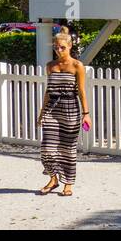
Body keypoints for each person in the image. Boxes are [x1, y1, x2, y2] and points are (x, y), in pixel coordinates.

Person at [36, 31, 88, 196]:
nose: (59, 50)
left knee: (68, 149)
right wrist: (42, 113)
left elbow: (81, 91)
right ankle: (53, 179)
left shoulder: (77, 66)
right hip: (52, 108)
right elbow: (47, 91)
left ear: (70, 46)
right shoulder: (50, 65)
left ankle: (68, 183)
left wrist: (86, 113)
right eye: (56, 47)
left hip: (70, 108)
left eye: (62, 47)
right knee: (47, 149)